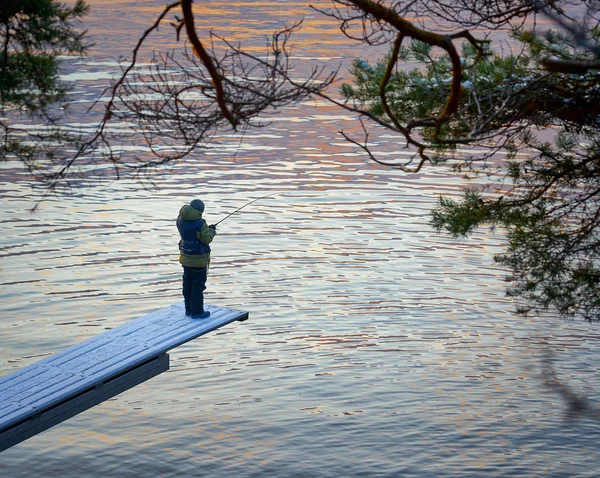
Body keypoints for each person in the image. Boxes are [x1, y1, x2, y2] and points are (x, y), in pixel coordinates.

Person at [176, 199, 216, 318]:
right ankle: (197, 312)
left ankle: (188, 310)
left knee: (187, 284)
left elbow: (192, 233)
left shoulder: (180, 219)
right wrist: (212, 231)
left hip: (185, 257)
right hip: (198, 259)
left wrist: (207, 230)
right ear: (200, 210)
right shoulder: (200, 223)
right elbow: (206, 239)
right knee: (198, 286)